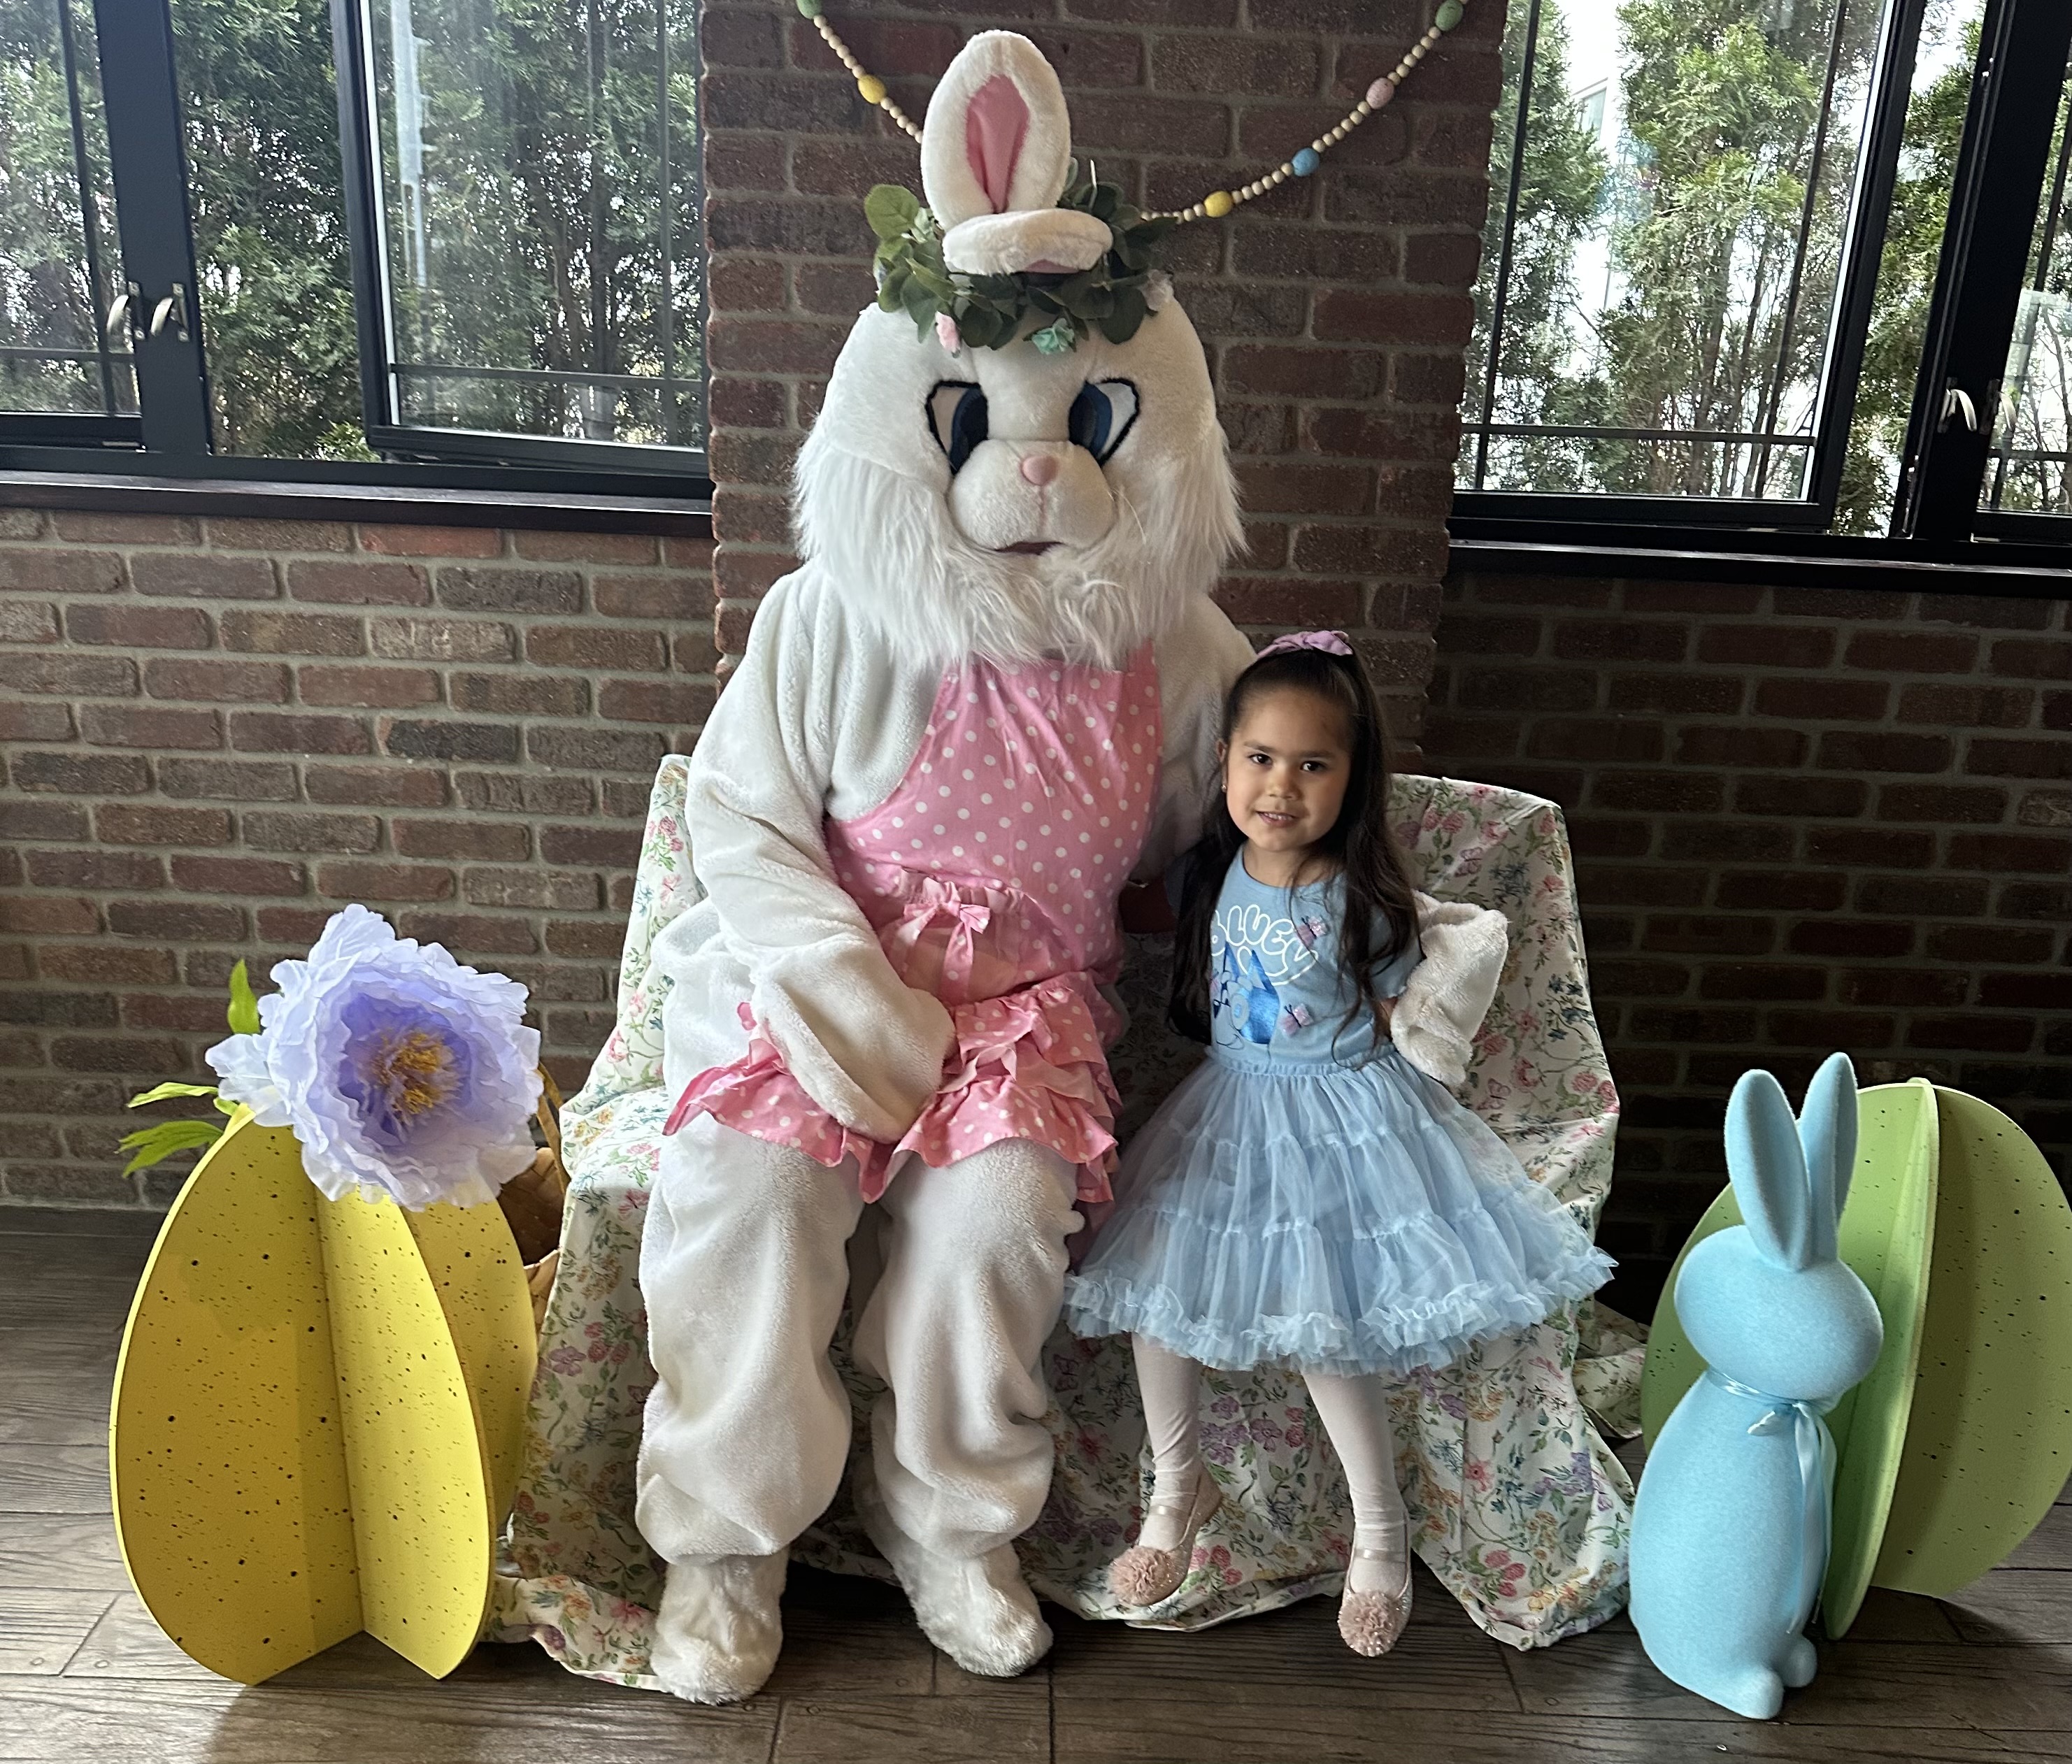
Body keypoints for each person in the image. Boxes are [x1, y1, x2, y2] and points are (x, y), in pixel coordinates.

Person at [1064, 631, 1615, 1658]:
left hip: (1344, 1121)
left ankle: (1381, 1533)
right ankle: (1176, 1493)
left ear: (1353, 781)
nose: (1281, 786)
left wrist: (1434, 1040)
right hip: (1228, 1114)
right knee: (1157, 1301)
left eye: (1313, 764)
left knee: (1330, 1331)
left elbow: (1417, 997)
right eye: (1260, 758)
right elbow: (1119, 901)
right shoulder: (1204, 872)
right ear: (1223, 761)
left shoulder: (1359, 897)